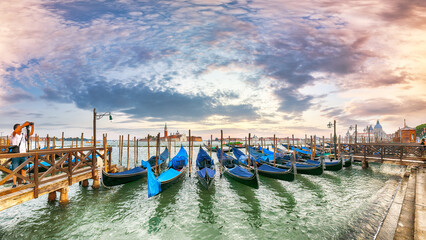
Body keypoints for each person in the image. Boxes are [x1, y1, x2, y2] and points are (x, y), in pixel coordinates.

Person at [10, 121, 34, 188]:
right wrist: (23, 125)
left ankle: (24, 181)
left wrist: (32, 127)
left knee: (24, 169)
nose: (20, 128)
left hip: (23, 154)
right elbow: (16, 130)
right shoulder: (13, 134)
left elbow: (31, 133)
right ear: (15, 129)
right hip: (16, 154)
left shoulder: (23, 135)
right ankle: (14, 183)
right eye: (19, 127)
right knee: (15, 170)